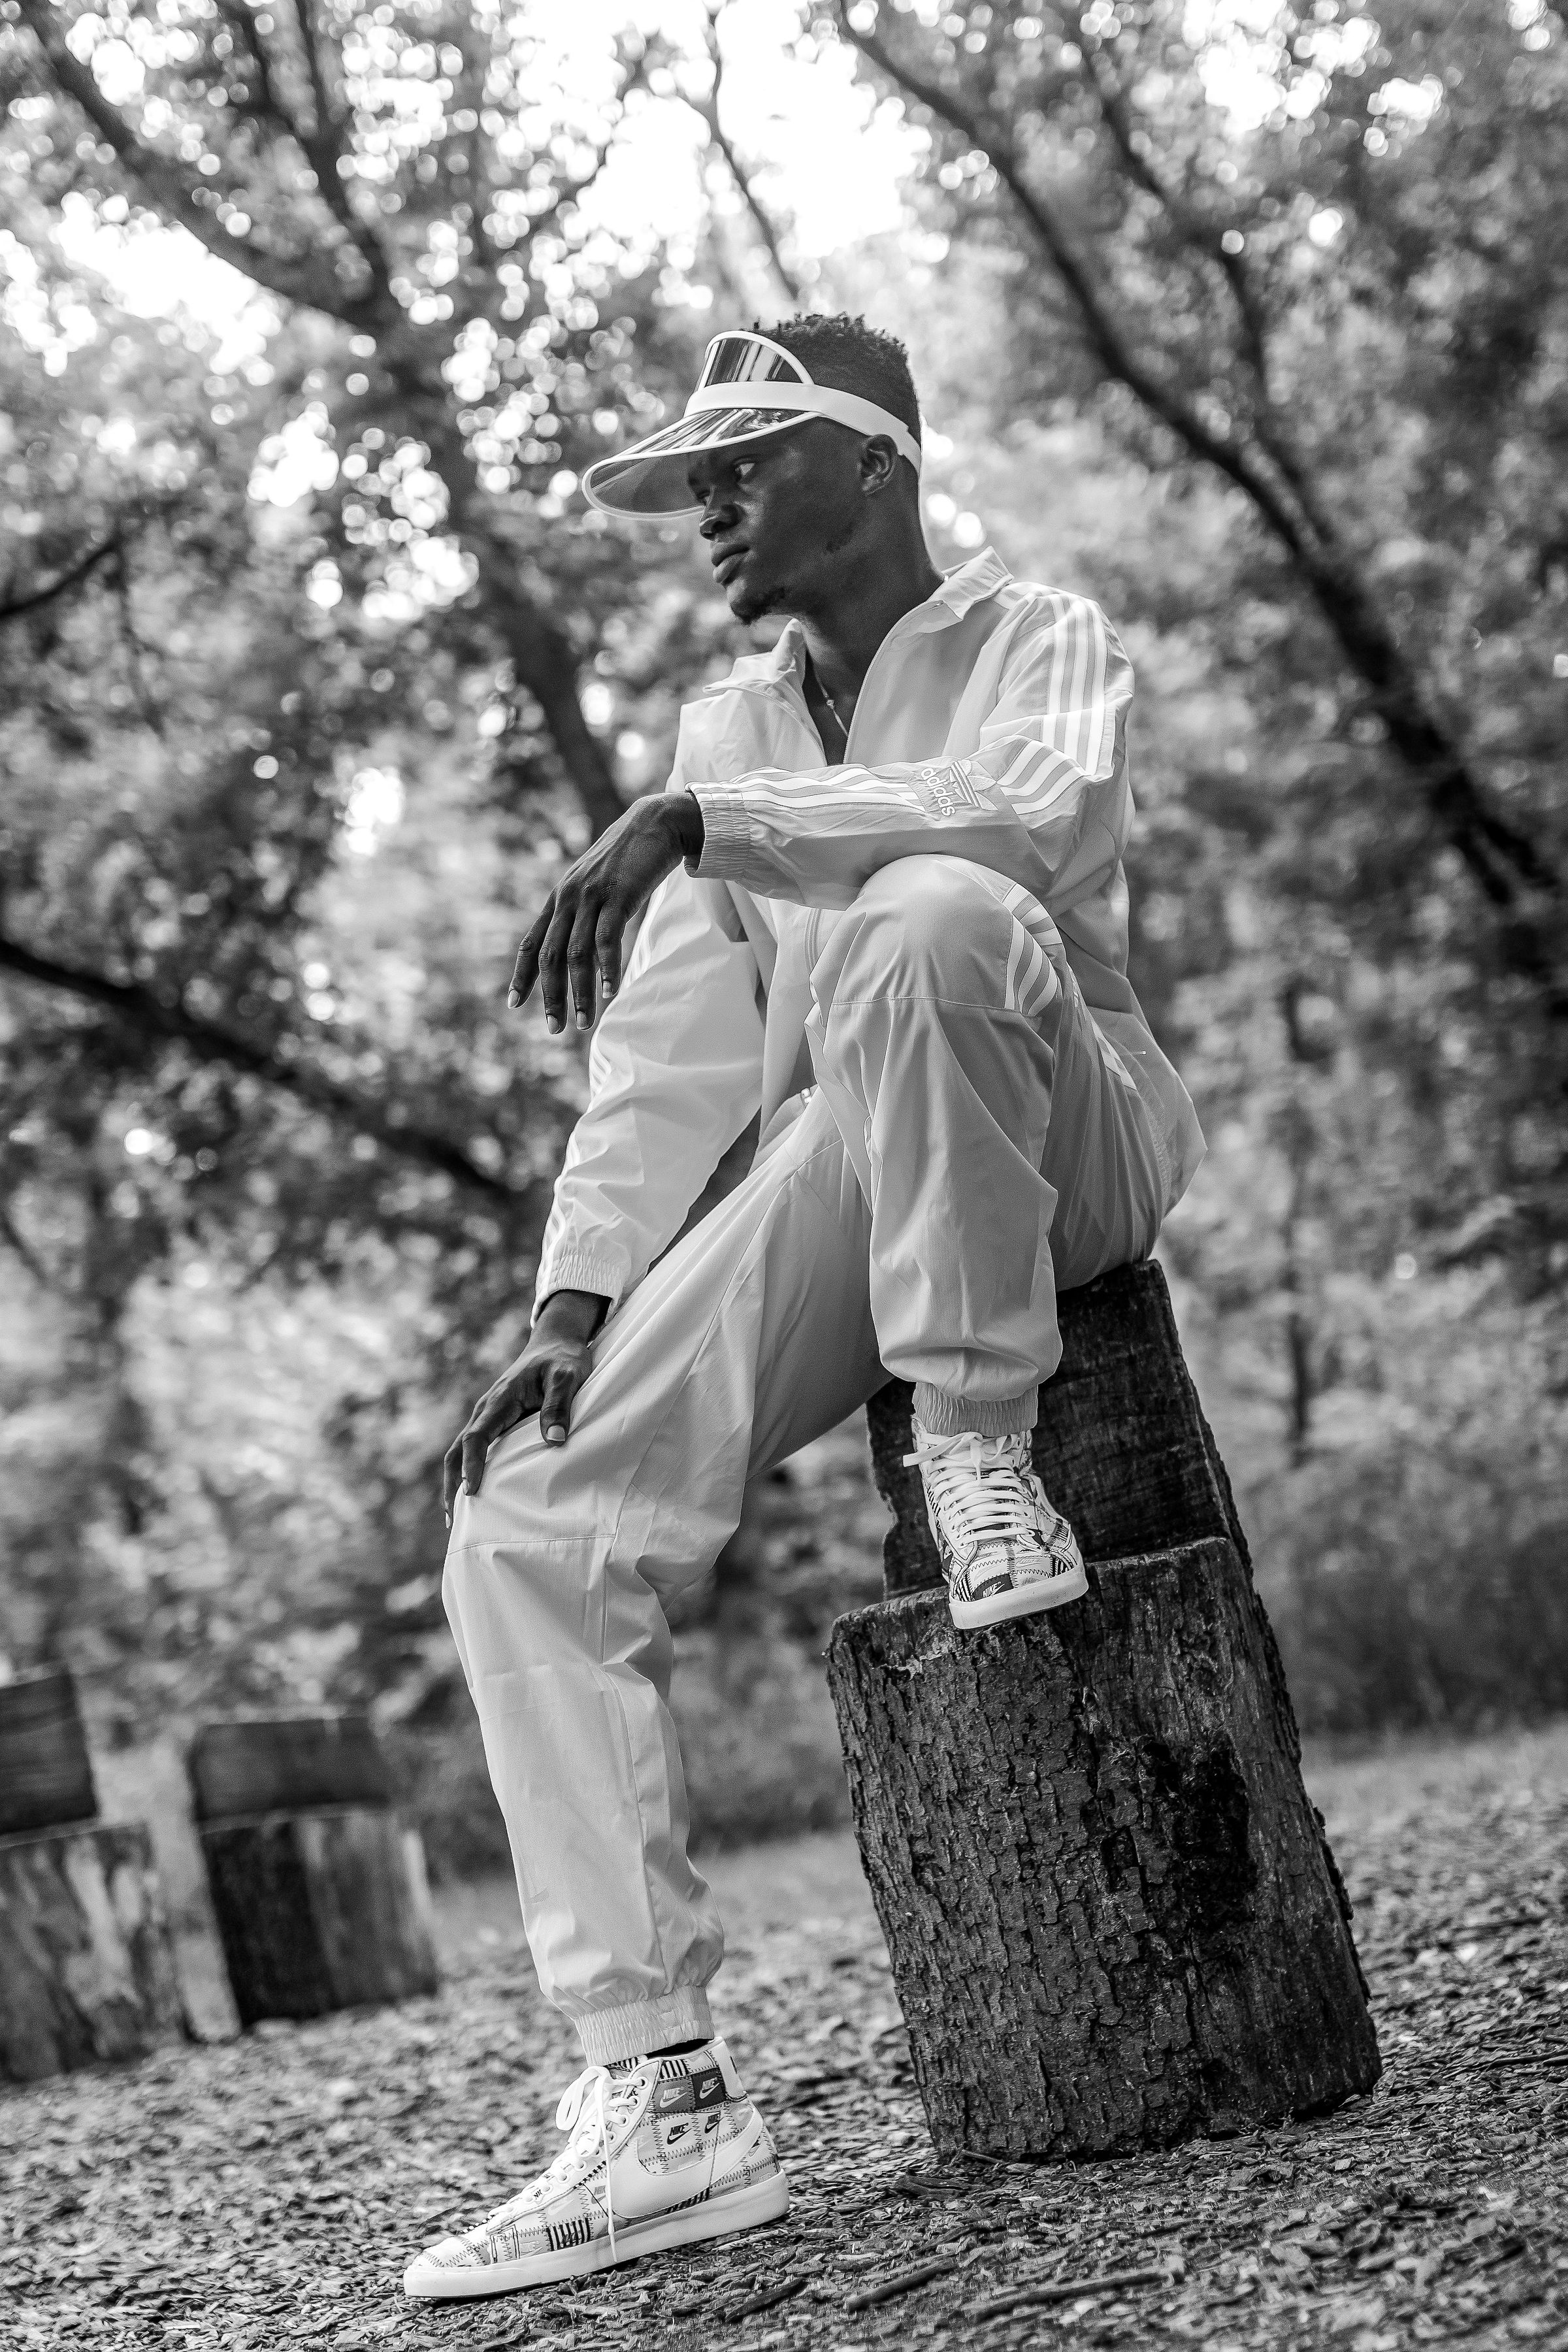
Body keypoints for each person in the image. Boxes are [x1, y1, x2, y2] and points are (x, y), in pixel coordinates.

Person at [402, 316, 1203, 2302]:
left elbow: (1019, 826)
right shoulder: (727, 725)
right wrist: (574, 1304)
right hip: (854, 1151)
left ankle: (980, 1444)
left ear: (876, 463)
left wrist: (713, 827)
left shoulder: (1041, 635)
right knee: (526, 1518)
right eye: (696, 481)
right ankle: (658, 2093)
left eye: (746, 466)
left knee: (926, 915)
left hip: (1070, 1136)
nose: (711, 511)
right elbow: (670, 1053)